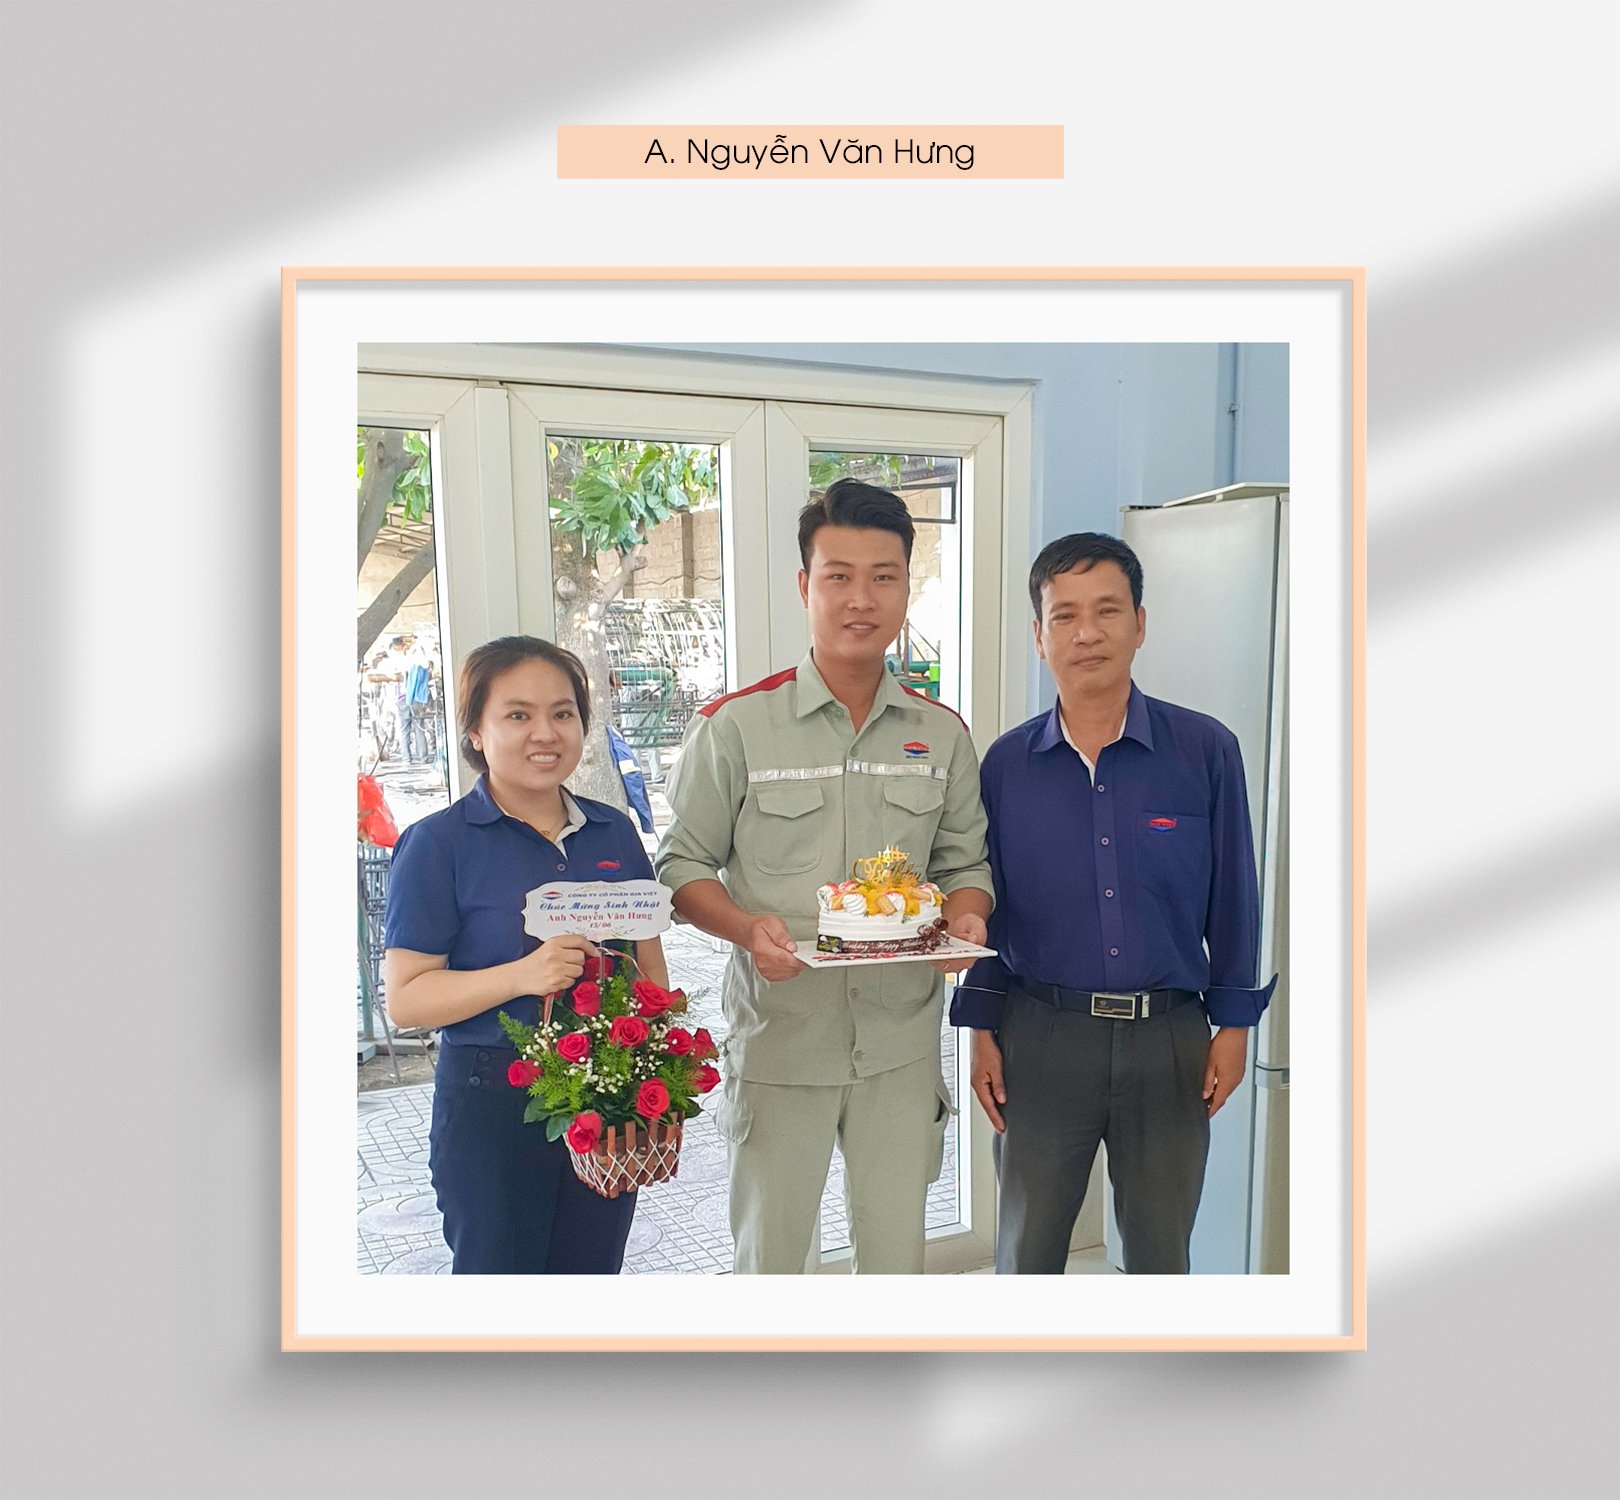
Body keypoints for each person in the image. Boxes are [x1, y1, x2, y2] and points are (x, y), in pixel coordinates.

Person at [657, 478, 993, 1274]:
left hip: (899, 1047)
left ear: (906, 589)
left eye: (884, 577)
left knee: (894, 1262)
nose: (861, 599)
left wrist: (967, 919)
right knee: (770, 1262)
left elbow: (966, 862)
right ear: (805, 587)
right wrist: (747, 930)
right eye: (839, 576)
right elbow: (681, 866)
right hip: (781, 1043)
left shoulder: (942, 735)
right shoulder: (736, 726)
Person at [951, 533, 1275, 1274]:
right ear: (1039, 636)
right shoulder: (1006, 765)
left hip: (1170, 1040)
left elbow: (1235, 898)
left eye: (1107, 611)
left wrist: (1233, 1026)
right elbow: (991, 903)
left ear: (1139, 623)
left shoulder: (1206, 751)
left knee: (1161, 1256)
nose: (1087, 633)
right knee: (1027, 1252)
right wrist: (981, 1029)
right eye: (1064, 616)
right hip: (1041, 1036)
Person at [382, 635, 670, 1274]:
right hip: (492, 1102)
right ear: (476, 731)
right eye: (518, 714)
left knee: (589, 1276)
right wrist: (522, 976)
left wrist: (657, 1064)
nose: (546, 733)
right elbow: (406, 1000)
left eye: (563, 713)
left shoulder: (613, 830)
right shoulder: (438, 844)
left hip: (605, 1094)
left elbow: (648, 963)